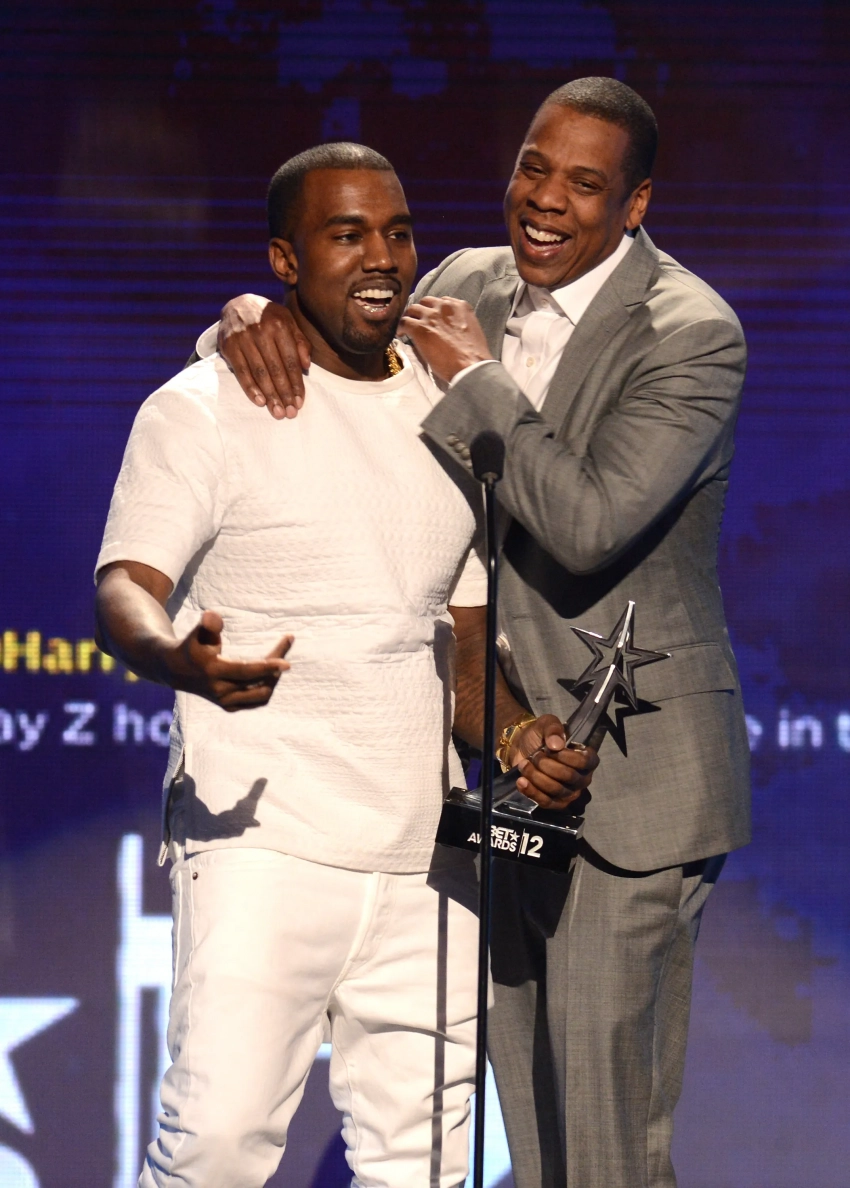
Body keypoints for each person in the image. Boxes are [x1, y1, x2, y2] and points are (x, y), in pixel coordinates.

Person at [206, 79, 751, 1188]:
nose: (544, 200)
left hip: (627, 776)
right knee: (527, 1131)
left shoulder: (692, 334)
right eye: (532, 168)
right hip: (489, 759)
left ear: (636, 203)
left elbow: (589, 524)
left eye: (584, 185)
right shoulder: (466, 282)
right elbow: (339, 337)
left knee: (601, 1143)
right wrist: (247, 319)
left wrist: (476, 378)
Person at [94, 142, 597, 1188]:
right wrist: (173, 656)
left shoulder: (450, 412)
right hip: (260, 841)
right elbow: (126, 585)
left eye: (397, 232)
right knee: (216, 1147)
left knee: (424, 1163)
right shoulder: (200, 408)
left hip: (426, 858)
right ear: (285, 261)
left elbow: (459, 640)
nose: (381, 256)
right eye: (346, 234)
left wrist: (516, 737)